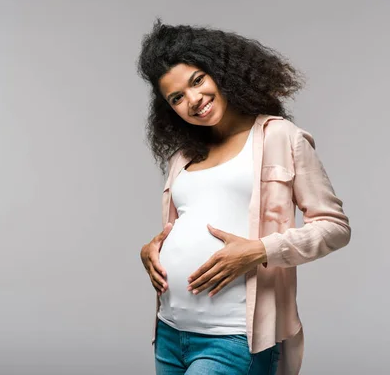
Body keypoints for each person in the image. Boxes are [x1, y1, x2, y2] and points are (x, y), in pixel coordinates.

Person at [137, 19, 351, 375]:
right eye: (177, 98)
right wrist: (153, 250)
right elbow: (186, 224)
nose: (194, 100)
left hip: (235, 337)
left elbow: (334, 227)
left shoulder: (280, 137)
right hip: (171, 330)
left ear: (222, 72)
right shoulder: (183, 156)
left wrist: (260, 250)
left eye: (197, 80)